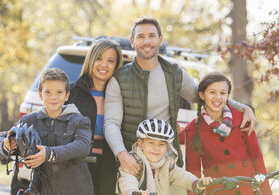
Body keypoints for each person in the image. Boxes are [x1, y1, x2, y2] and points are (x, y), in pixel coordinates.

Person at [104, 16, 257, 178]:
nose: (146, 41)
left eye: (152, 36)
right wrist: (122, 155)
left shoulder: (175, 74)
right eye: (141, 36)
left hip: (168, 165)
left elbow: (205, 95)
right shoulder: (119, 79)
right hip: (134, 166)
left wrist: (241, 108)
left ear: (160, 39)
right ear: (133, 41)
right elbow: (111, 123)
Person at [0, 68, 94, 195]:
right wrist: (5, 144)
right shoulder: (31, 120)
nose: (53, 97)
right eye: (47, 92)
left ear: (67, 95)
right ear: (40, 95)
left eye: (59, 92)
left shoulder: (79, 121)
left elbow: (83, 146)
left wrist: (48, 153)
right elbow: (6, 136)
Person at [183, 72, 274, 195]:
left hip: (250, 193)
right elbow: (192, 174)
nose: (218, 97)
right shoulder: (193, 130)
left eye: (223, 93)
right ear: (201, 95)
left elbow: (257, 158)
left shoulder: (243, 120)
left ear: (228, 96)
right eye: (212, 92)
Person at [66, 38, 123, 195]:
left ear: (116, 66)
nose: (104, 65)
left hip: (106, 164)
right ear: (91, 60)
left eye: (110, 60)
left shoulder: (118, 95)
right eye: (99, 58)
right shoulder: (71, 92)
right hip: (76, 162)